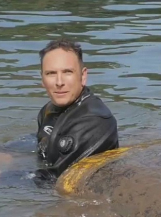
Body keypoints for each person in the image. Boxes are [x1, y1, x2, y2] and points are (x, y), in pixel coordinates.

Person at [34, 38, 119, 182]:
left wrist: (6, 177)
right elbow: (41, 140)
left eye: (67, 72)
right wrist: (7, 152)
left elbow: (58, 178)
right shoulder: (48, 110)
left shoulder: (95, 121)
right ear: (42, 79)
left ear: (83, 76)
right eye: (51, 73)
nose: (59, 82)